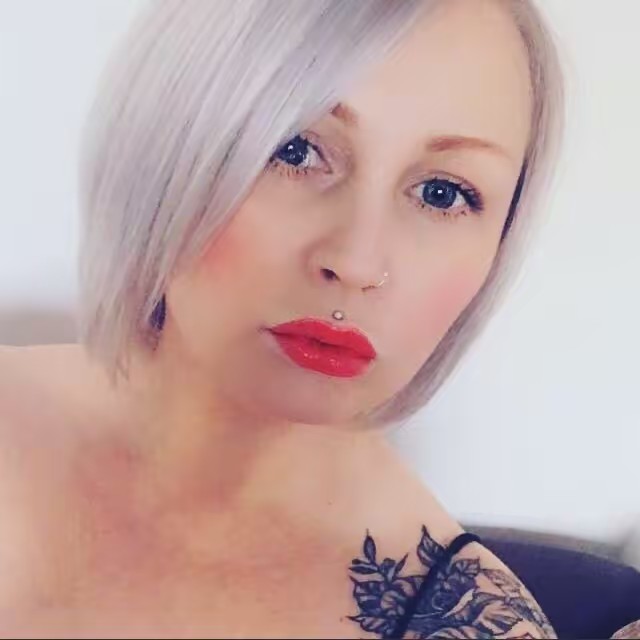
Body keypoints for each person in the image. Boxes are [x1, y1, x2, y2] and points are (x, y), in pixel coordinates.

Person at [0, 0, 565, 637]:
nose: (355, 261)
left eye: (443, 192)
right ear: (162, 152)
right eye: (294, 150)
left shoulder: (476, 621)